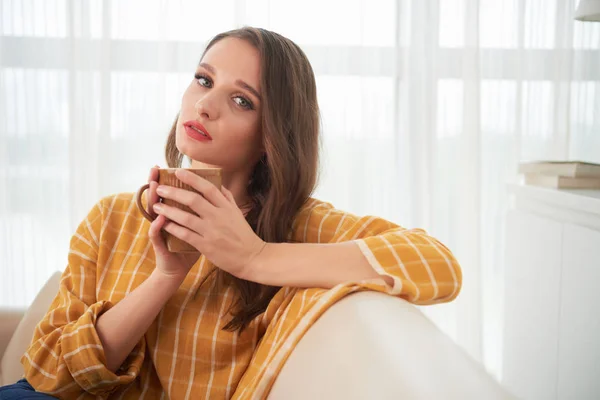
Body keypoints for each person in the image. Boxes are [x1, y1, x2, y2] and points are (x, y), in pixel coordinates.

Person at [0, 27, 462, 400]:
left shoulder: (301, 226)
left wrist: (254, 257)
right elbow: (45, 375)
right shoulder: (111, 219)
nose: (205, 105)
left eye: (242, 100)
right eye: (204, 80)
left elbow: (436, 264)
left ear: (271, 136)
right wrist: (164, 278)